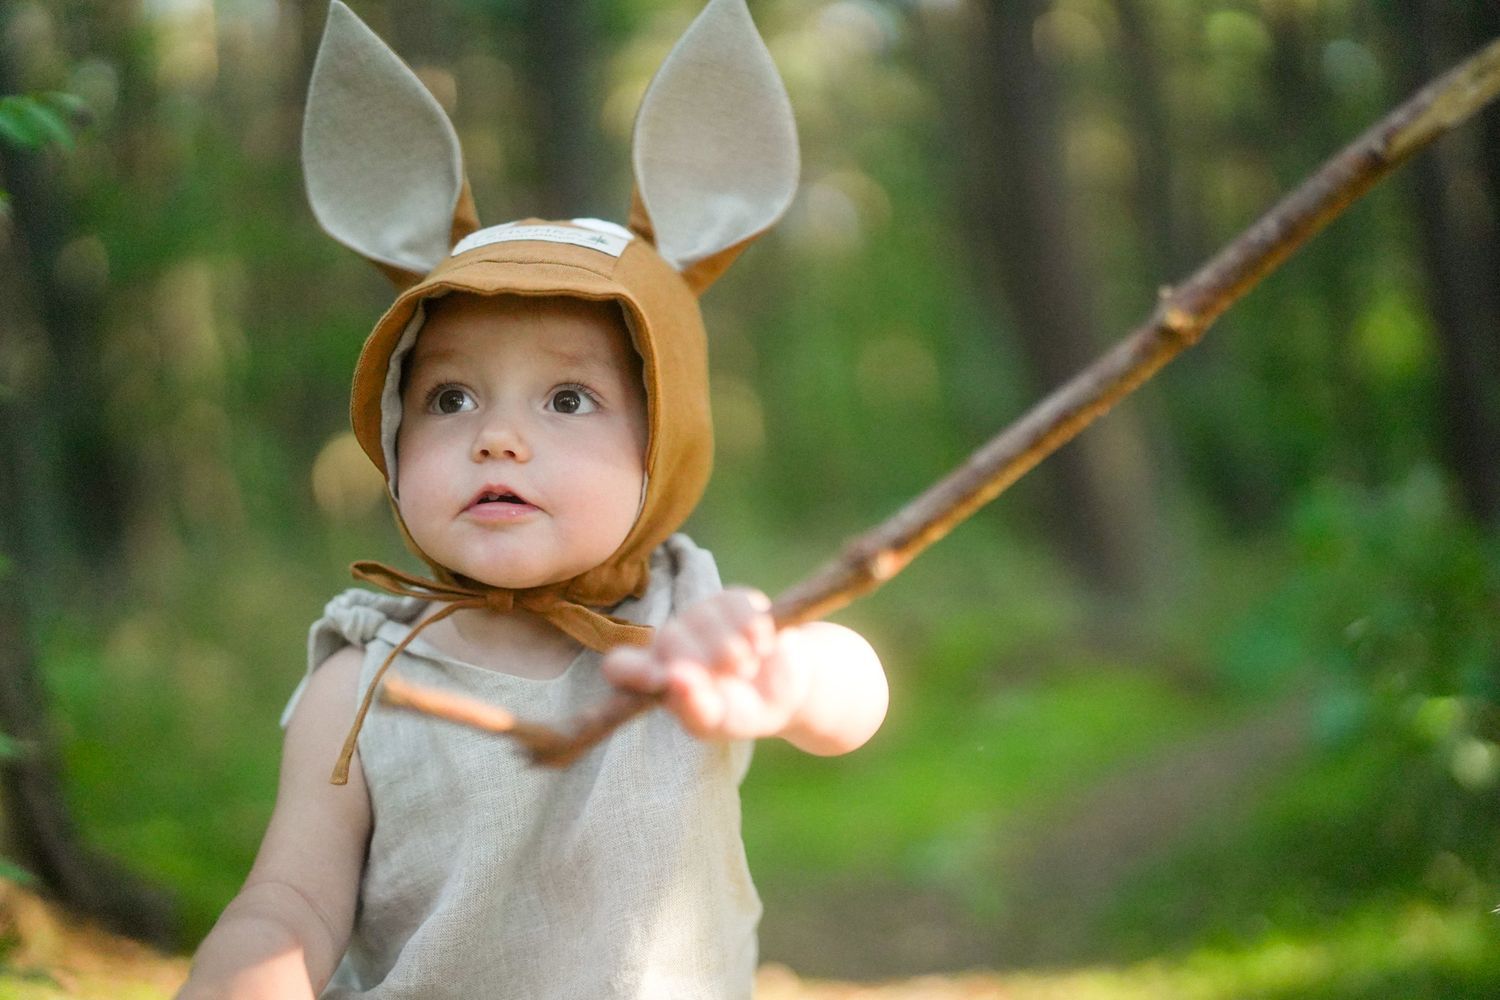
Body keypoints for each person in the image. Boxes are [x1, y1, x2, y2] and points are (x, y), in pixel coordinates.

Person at [177, 2, 887, 997]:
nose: (497, 437)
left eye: (567, 399)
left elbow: (851, 699)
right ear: (390, 428)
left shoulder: (685, 628)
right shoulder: (367, 680)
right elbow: (292, 899)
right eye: (449, 398)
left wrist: (788, 672)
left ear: (666, 440)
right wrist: (249, 971)